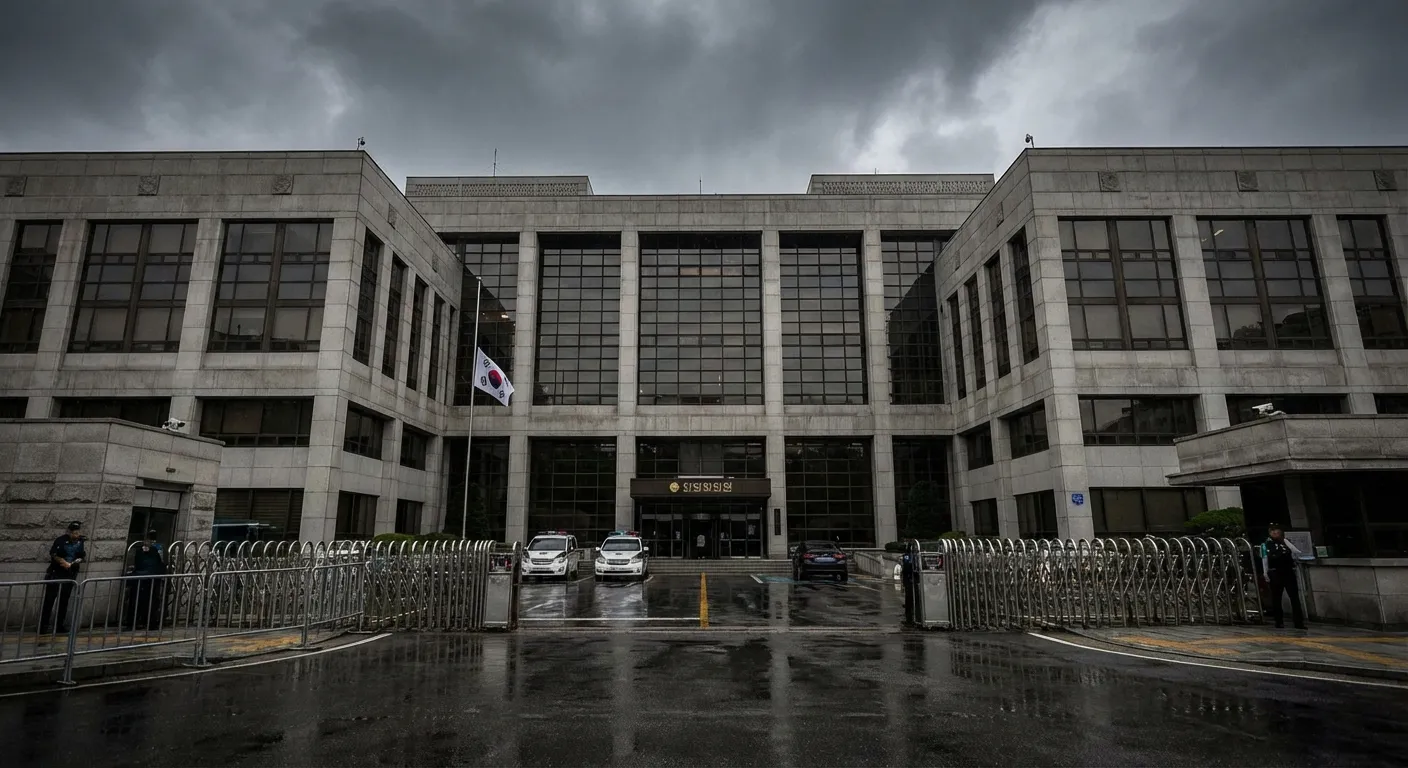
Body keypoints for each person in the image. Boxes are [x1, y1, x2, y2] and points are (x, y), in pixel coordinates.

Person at [40, 521, 87, 633]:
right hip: (56, 573)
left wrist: (73, 563)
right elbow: (53, 554)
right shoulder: (60, 540)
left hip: (70, 574)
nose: (76, 535)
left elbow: (82, 556)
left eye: (78, 532)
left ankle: (59, 625)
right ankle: (43, 626)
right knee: (50, 600)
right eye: (74, 533)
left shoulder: (80, 542)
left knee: (64, 600)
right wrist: (63, 562)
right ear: (70, 532)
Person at [1260, 524, 1306, 630]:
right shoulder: (1266, 544)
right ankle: (1279, 622)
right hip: (1275, 572)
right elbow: (1264, 559)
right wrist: (1265, 573)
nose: (1275, 533)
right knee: (1276, 598)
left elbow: (1295, 551)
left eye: (1277, 531)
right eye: (1272, 531)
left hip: (1288, 571)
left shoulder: (1285, 541)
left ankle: (1299, 623)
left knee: (1294, 598)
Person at [124, 530, 167, 631]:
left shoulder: (155, 549)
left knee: (146, 601)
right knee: (142, 601)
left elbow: (160, 563)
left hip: (147, 579)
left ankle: (144, 622)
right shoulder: (146, 550)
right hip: (146, 579)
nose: (146, 543)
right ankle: (140, 622)